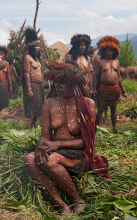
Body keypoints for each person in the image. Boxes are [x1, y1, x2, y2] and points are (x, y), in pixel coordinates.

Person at [25, 60, 110, 216]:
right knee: (30, 159)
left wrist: (58, 144)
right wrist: (42, 148)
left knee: (50, 161)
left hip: (77, 155)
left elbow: (87, 142)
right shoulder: (49, 103)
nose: (58, 86)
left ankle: (78, 200)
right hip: (53, 152)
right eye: (56, 82)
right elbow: (44, 137)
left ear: (74, 84)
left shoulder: (87, 104)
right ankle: (62, 205)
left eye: (63, 83)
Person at [94, 36, 126, 131]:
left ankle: (114, 128)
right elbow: (96, 76)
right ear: (104, 51)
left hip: (115, 89)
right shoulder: (100, 62)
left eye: (111, 51)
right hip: (104, 89)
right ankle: (95, 130)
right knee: (100, 110)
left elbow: (119, 77)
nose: (109, 52)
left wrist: (123, 90)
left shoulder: (117, 62)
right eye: (107, 50)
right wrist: (94, 89)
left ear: (115, 52)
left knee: (114, 109)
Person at [22, 27, 44, 129]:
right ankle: (28, 128)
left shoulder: (36, 59)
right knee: (31, 110)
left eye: (38, 46)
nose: (38, 48)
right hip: (33, 86)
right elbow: (26, 74)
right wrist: (29, 89)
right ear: (31, 47)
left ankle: (32, 128)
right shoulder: (27, 58)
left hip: (39, 87)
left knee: (37, 110)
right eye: (35, 46)